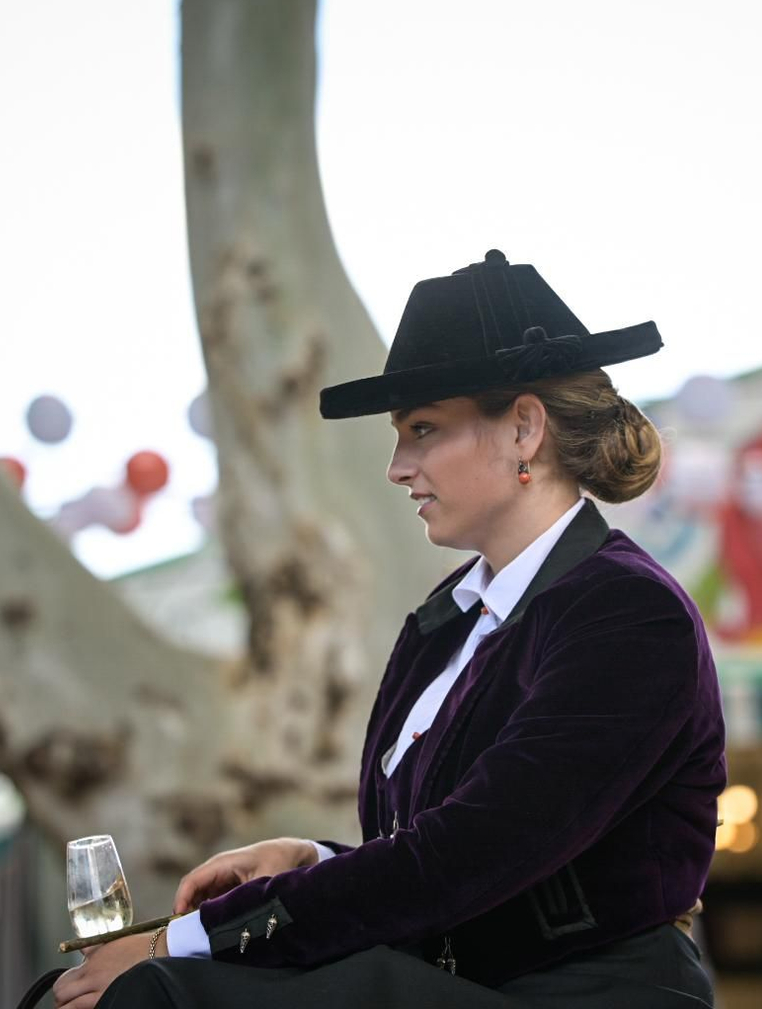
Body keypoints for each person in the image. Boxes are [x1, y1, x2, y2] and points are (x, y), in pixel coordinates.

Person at [53, 250, 727, 1008]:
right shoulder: (448, 620)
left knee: (164, 993)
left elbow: (468, 857)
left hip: (588, 999)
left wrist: (174, 941)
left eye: (424, 428)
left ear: (524, 428)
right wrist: (310, 859)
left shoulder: (627, 613)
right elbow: (436, 862)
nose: (397, 466)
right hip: (454, 986)